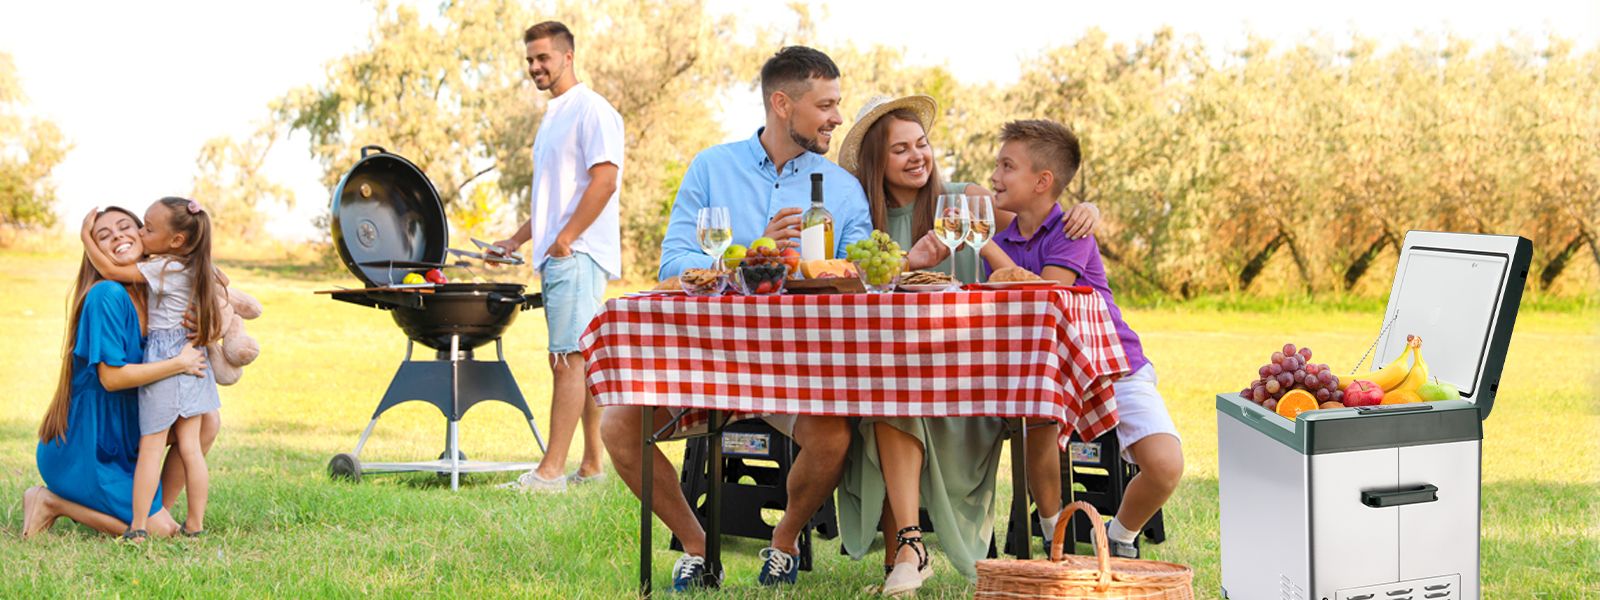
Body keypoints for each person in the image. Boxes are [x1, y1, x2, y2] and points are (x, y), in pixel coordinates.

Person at [603, 46, 864, 592]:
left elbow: (861, 275)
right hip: (709, 363)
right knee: (619, 428)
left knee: (832, 437)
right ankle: (698, 546)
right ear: (782, 103)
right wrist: (756, 251)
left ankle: (785, 541)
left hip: (797, 368)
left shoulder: (840, 187)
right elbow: (673, 265)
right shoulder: (712, 167)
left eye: (837, 105)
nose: (837, 118)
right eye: (826, 105)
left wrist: (824, 269)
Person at [833, 95, 1102, 593]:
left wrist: (1087, 208)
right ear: (875, 160)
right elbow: (852, 294)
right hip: (899, 377)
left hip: (969, 384)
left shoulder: (963, 200)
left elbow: (1038, 218)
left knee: (894, 399)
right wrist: (910, 262)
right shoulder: (861, 226)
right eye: (900, 150)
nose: (918, 156)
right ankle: (909, 551)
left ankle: (909, 553)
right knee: (891, 397)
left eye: (922, 144)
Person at [976, 119, 1184, 560]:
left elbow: (1049, 294)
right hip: (1046, 373)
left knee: (1166, 466)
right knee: (1038, 427)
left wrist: (983, 247)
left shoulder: (1071, 231)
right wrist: (987, 242)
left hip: (1112, 365)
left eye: (1007, 166)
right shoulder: (1003, 237)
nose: (995, 175)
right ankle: (1057, 541)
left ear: (1042, 181)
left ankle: (1121, 536)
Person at [25, 206, 220, 540]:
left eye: (126, 227)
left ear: (147, 234)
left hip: (126, 438)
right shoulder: (107, 294)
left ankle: (159, 513)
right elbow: (112, 379)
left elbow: (213, 285)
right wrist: (177, 363)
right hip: (88, 447)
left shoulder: (155, 290)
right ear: (95, 251)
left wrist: (207, 325)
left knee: (207, 420)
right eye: (103, 235)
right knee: (160, 534)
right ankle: (51, 502)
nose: (117, 236)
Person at [491, 21, 624, 493]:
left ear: (568, 56)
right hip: (563, 254)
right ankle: (591, 464)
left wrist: (567, 239)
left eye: (543, 57)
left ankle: (549, 472)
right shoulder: (553, 116)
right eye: (530, 59)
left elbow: (604, 180)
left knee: (566, 358)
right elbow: (556, 198)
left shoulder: (592, 110)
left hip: (580, 253)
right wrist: (515, 241)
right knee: (580, 356)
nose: (534, 67)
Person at [81, 197, 225, 540]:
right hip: (194, 357)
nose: (141, 233)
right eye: (143, 224)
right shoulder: (195, 265)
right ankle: (196, 524)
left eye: (145, 228)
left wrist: (87, 238)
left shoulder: (162, 269)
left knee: (151, 445)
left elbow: (111, 271)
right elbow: (224, 283)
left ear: (176, 240)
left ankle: (140, 525)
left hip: (170, 357)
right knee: (190, 446)